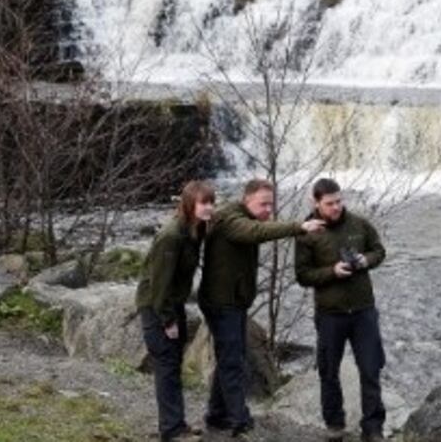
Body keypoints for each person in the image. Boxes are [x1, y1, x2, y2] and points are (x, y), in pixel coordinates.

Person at [198, 178, 325, 436]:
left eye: (271, 204)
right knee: (233, 360)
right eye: (263, 204)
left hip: (232, 300)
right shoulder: (231, 219)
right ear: (247, 199)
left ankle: (216, 414)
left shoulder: (241, 215)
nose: (268, 209)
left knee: (230, 356)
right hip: (221, 302)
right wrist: (299, 227)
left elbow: (257, 230)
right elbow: (254, 232)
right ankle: (239, 419)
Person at [294, 178, 387, 442]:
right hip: (330, 314)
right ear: (315, 202)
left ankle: (373, 428)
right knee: (328, 372)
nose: (336, 207)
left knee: (370, 369)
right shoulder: (307, 232)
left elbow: (379, 251)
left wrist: (365, 260)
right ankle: (334, 425)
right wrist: (332, 272)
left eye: (338, 201)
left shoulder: (359, 224)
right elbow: (302, 275)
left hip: (363, 311)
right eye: (329, 203)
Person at [136, 180, 216, 442]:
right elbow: (160, 284)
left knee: (173, 363)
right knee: (167, 365)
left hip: (173, 302)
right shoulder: (171, 236)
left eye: (211, 202)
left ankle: (176, 424)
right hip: (156, 306)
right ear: (190, 204)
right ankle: (171, 430)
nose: (209, 207)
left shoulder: (195, 228)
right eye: (204, 203)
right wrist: (167, 320)